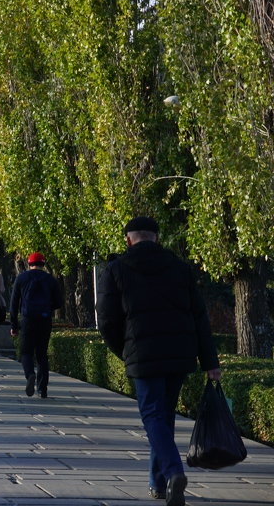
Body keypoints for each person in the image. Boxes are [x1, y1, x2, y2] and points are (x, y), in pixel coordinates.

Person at [97, 216, 221, 506]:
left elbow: (105, 321)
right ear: (157, 238)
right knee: (164, 416)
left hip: (142, 354)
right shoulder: (180, 268)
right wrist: (210, 361)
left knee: (152, 416)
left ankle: (173, 471)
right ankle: (158, 482)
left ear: (128, 240)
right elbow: (200, 316)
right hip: (179, 354)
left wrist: (125, 349)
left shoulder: (116, 269)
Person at [9, 252, 63, 398]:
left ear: (28, 263)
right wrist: (47, 308)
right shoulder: (50, 280)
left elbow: (14, 304)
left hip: (27, 320)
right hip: (44, 320)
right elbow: (59, 302)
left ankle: (30, 374)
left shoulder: (21, 278)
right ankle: (42, 389)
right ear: (43, 264)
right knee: (42, 355)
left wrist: (13, 325)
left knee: (26, 352)